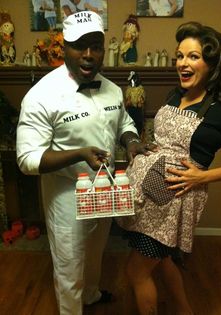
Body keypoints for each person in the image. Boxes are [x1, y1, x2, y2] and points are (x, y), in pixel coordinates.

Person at [16, 10, 153, 315]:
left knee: (94, 253)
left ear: (104, 48)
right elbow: (27, 160)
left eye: (96, 46)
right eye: (80, 46)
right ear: (64, 47)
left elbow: (124, 123)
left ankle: (90, 294)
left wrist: (130, 141)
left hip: (104, 190)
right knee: (69, 264)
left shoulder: (113, 90)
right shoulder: (42, 96)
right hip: (65, 195)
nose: (89, 55)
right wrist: (79, 153)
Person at [116, 21, 221, 314]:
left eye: (193, 56)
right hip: (147, 199)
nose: (183, 63)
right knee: (164, 261)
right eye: (180, 55)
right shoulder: (175, 95)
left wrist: (203, 176)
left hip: (173, 202)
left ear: (211, 62)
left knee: (137, 272)